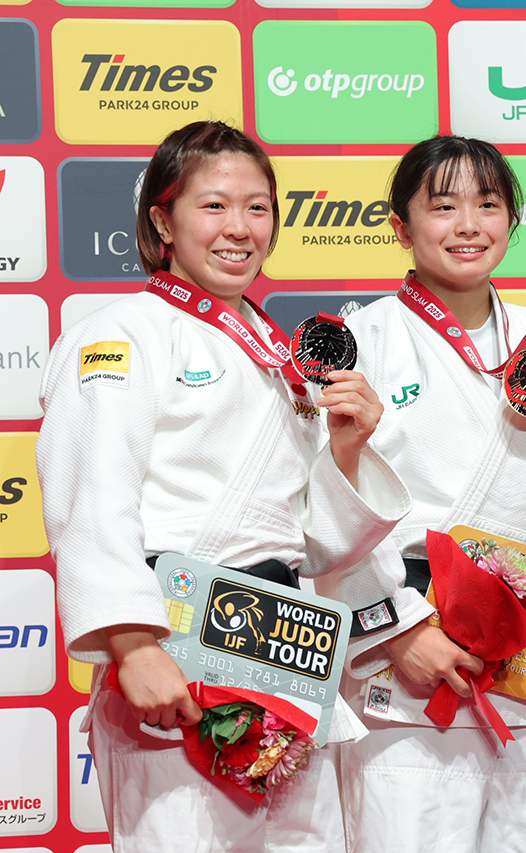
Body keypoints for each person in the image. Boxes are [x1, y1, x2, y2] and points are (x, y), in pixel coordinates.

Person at [37, 120, 411, 852]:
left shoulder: (282, 355)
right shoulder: (118, 333)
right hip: (177, 647)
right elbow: (92, 495)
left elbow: (318, 540)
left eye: (258, 207)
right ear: (161, 220)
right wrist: (131, 640)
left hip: (286, 649)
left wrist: (345, 451)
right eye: (213, 206)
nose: (239, 228)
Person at [312, 135, 526, 853]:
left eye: (488, 205)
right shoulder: (359, 343)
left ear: (512, 221)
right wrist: (398, 631)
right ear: (400, 227)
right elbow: (325, 519)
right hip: (410, 668)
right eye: (444, 205)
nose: (468, 224)